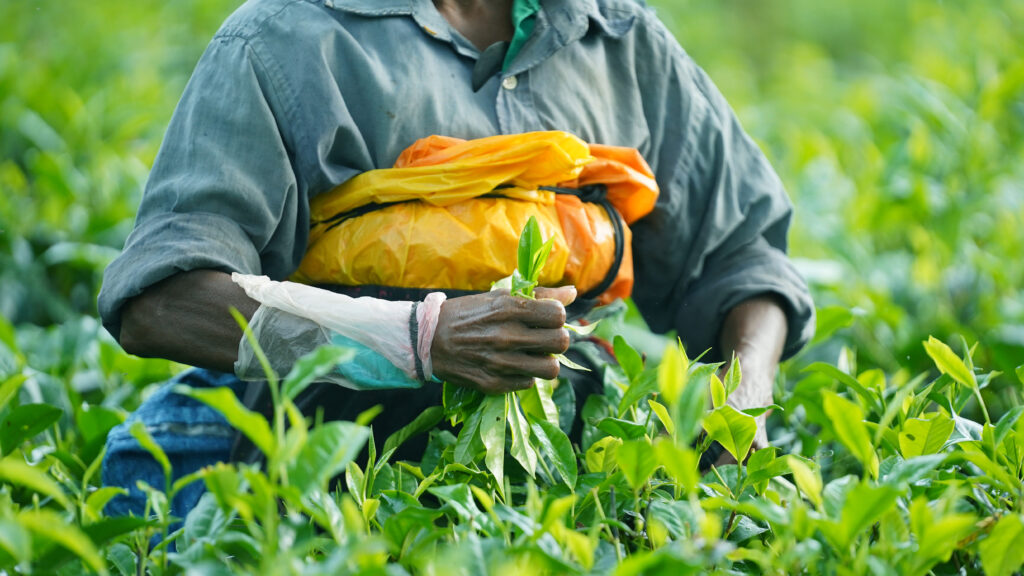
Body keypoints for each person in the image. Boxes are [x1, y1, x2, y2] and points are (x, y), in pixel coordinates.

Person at [98, 0, 815, 519]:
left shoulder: (618, 39)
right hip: (335, 500)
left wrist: (744, 395)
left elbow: (741, 256)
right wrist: (419, 341)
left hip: (564, 501)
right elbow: (161, 303)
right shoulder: (284, 41)